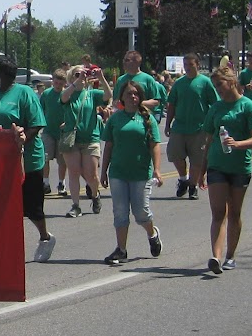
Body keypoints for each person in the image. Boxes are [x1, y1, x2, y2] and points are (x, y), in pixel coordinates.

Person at [0, 58, 55, 262]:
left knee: (32, 208)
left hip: (27, 161)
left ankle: (45, 237)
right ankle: (5, 246)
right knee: (3, 207)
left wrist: (19, 141)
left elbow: (36, 124)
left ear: (2, 75)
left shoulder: (24, 93)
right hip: (1, 162)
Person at [204, 66, 252, 276]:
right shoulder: (216, 108)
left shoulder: (247, 106)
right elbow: (209, 137)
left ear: (230, 82)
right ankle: (216, 257)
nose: (217, 89)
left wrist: (238, 144)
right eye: (215, 86)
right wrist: (202, 167)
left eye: (219, 84)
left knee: (234, 212)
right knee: (218, 212)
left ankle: (231, 255)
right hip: (217, 166)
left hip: (239, 167)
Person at [100, 79, 164, 266]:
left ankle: (152, 234)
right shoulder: (115, 119)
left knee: (141, 212)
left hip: (140, 173)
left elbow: (155, 145)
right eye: (129, 93)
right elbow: (109, 147)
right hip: (118, 172)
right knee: (120, 212)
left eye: (136, 94)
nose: (133, 97)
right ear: (122, 97)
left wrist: (157, 170)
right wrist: (103, 172)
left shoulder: (147, 118)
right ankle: (121, 249)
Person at [165, 53, 217, 200]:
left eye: (191, 65)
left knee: (197, 160)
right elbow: (172, 105)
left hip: (199, 128)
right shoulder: (179, 83)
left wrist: (213, 124)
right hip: (180, 127)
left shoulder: (205, 82)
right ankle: (183, 179)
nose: (188, 68)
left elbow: (215, 104)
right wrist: (168, 124)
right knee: (175, 155)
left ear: (197, 65)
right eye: (185, 65)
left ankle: (193, 187)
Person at [60, 64, 107, 217]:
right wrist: (75, 82)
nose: (81, 77)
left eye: (83, 74)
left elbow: (108, 95)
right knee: (73, 172)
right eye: (76, 74)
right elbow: (63, 98)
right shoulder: (68, 93)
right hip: (71, 139)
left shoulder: (92, 94)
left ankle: (95, 195)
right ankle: (75, 205)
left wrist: (101, 78)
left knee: (91, 174)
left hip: (90, 139)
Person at [40, 68, 68, 197]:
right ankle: (45, 183)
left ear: (64, 84)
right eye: (56, 83)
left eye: (60, 83)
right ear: (53, 82)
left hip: (62, 132)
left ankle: (61, 183)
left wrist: (67, 123)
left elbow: (72, 111)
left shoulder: (67, 94)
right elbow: (41, 110)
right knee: (45, 157)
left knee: (62, 160)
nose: (58, 85)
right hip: (48, 131)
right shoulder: (46, 94)